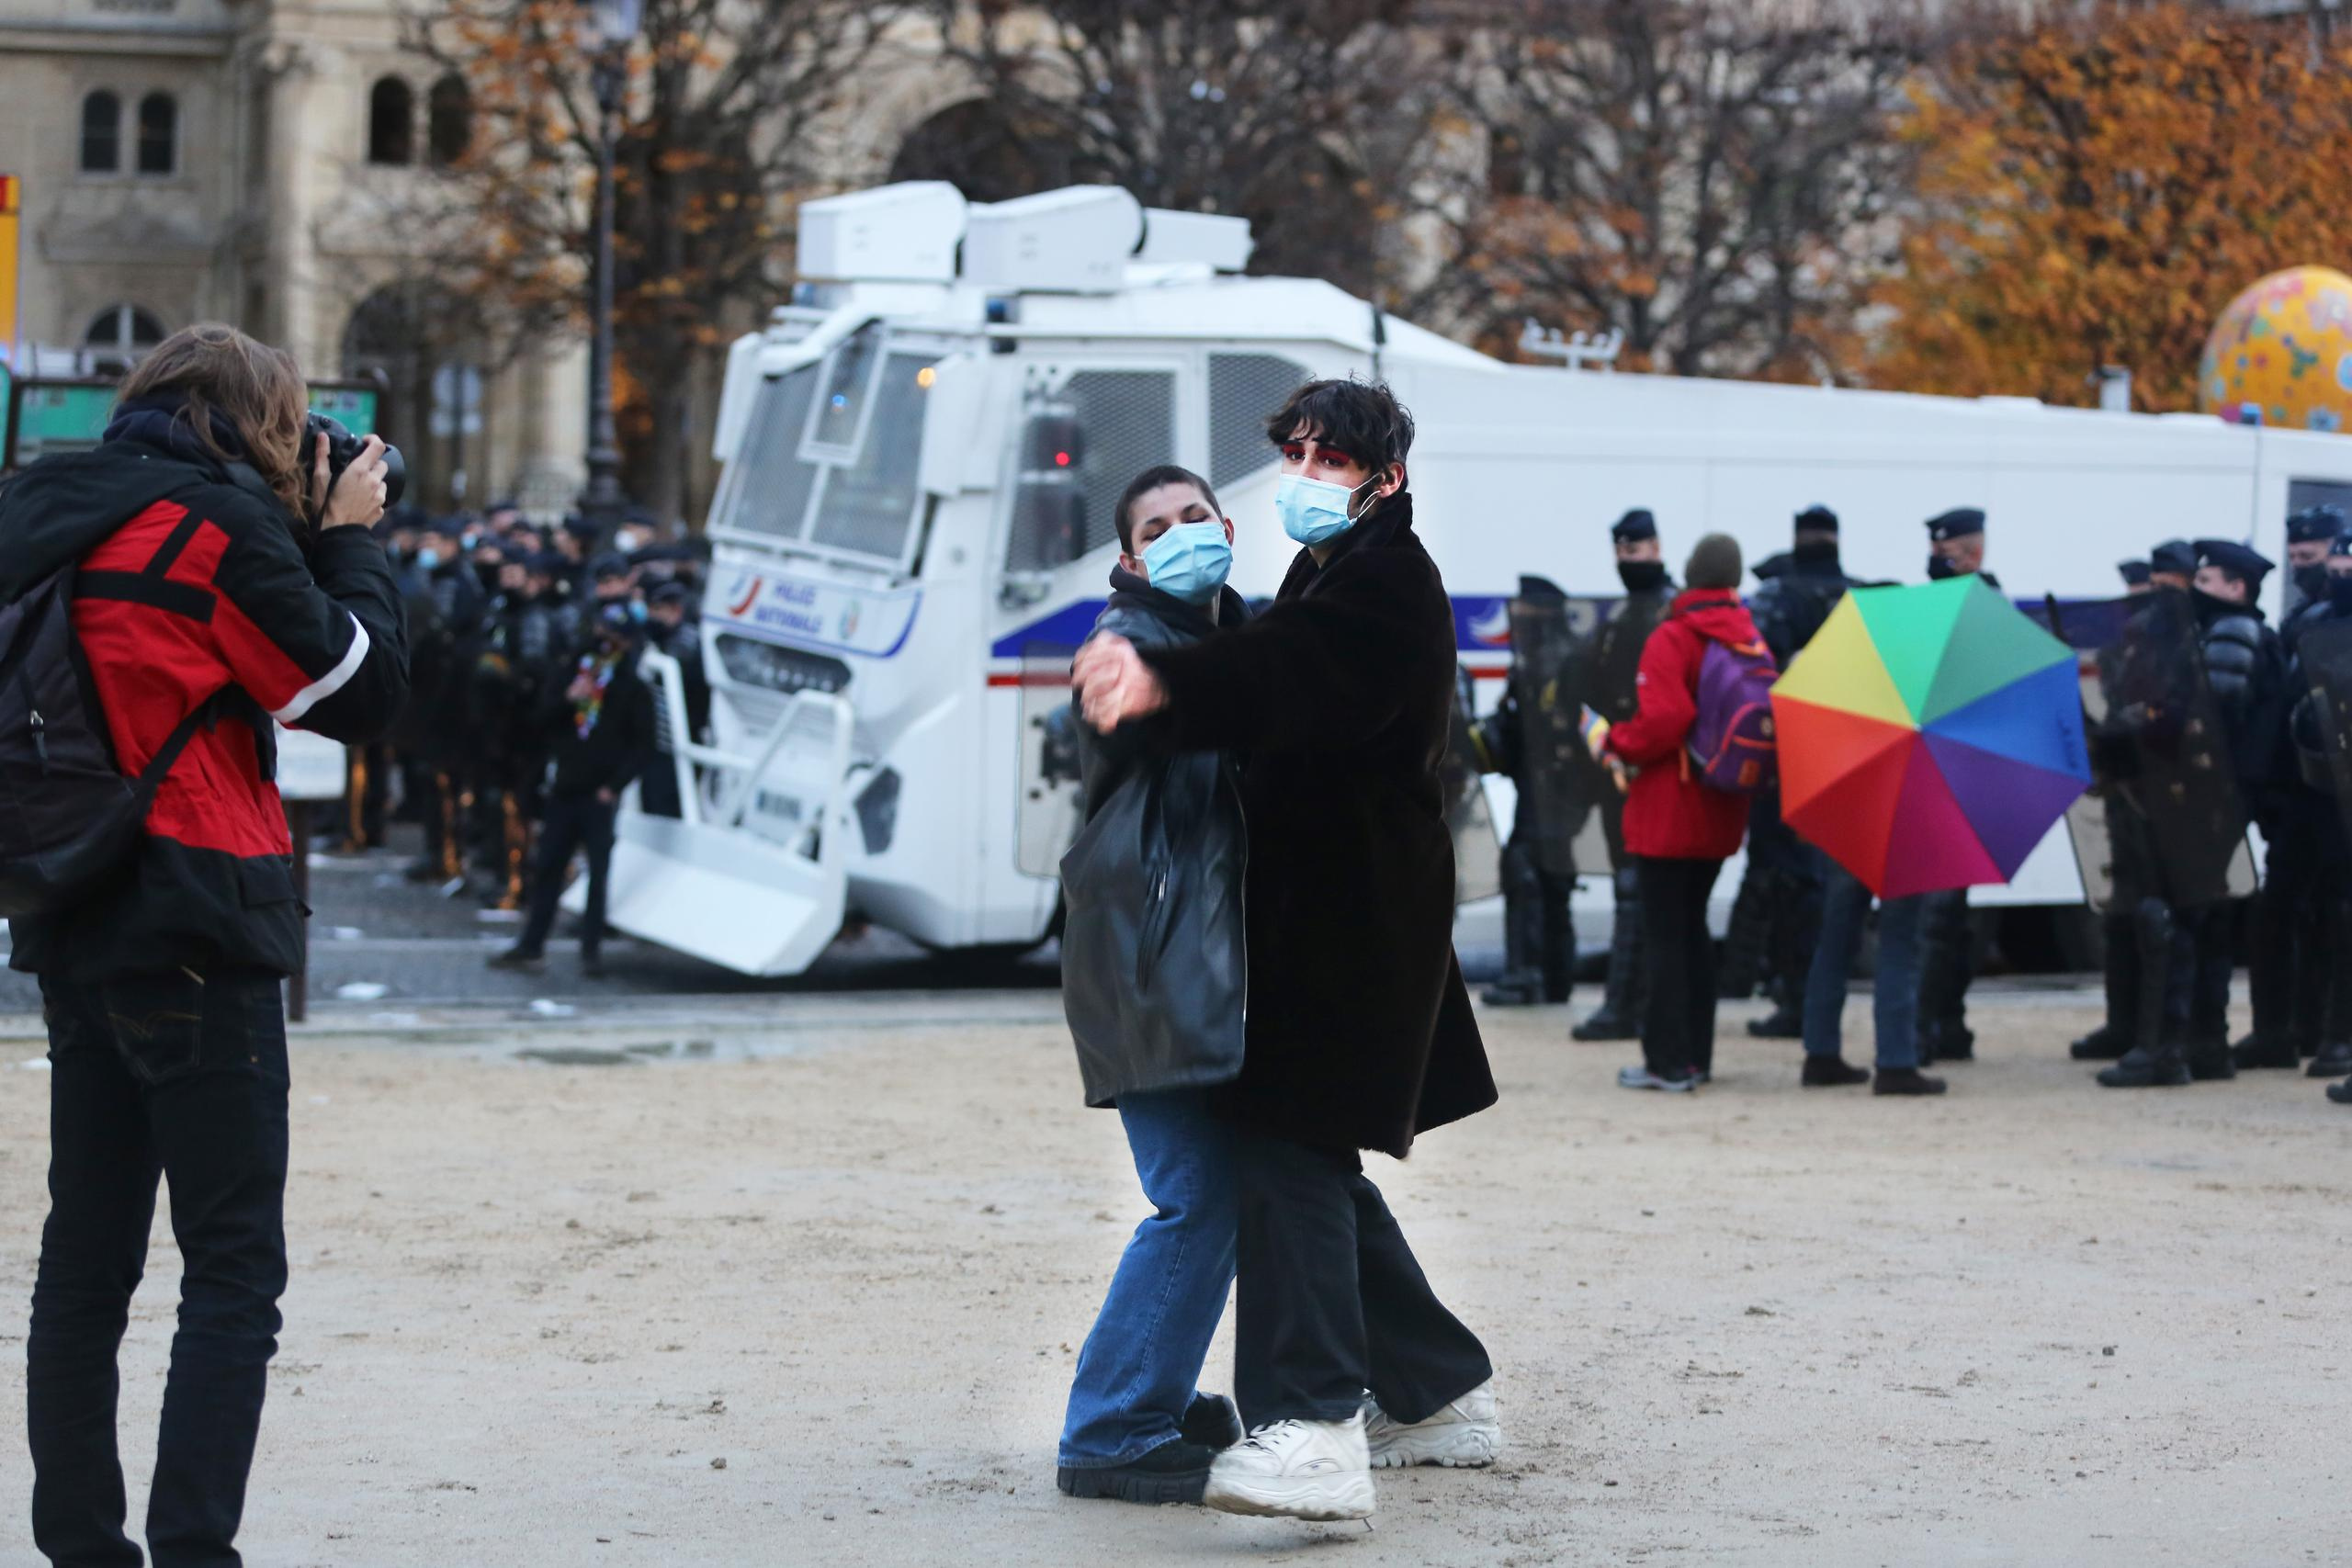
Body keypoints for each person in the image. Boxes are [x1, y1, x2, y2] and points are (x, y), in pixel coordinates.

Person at [0, 323, 408, 1567]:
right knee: (232, 1267)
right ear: (258, 422)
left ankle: (80, 1542)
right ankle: (193, 1551)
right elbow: (361, 687)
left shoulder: (43, 511)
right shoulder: (207, 533)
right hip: (196, 905)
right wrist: (346, 539)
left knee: (86, 1259)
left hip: (72, 899)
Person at [1071, 378, 1498, 1524]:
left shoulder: (1380, 582)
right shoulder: (1334, 572)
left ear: (1385, 479)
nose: (1306, 477)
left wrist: (1161, 685)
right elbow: (1277, 673)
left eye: (1332, 460)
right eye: (1296, 455)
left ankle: (1310, 1430)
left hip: (1345, 928)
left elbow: (1282, 676)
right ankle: (1436, 1395)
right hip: (1332, 923)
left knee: (1288, 1161)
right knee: (1310, 1165)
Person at [1055, 465, 1253, 1506]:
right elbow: (1115, 719)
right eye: (1158, 528)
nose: (1184, 536)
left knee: (1218, 1192)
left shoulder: (1243, 634)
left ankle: (1152, 1398)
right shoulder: (1131, 647)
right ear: (1129, 559)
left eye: (1197, 518)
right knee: (1199, 1196)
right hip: (1155, 959)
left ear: (1226, 524)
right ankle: (1113, 1426)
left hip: (1180, 957)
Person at [1600, 533, 1763, 1091]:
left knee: (1665, 938)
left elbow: (1664, 722)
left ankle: (1667, 1062)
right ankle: (1699, 1055)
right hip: (1722, 807)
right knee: (1694, 934)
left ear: (1692, 574)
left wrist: (1616, 742)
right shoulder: (1748, 638)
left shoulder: (1674, 636)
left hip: (1669, 810)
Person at [1733, 504, 1856, 1037]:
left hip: (1788, 761)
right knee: (1834, 888)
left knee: (1788, 883)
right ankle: (1818, 1006)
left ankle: (1794, 999)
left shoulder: (1780, 599)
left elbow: (1758, 677)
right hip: (1848, 760)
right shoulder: (1856, 598)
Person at [490, 603, 656, 978]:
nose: (605, 643)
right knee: (548, 867)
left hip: (598, 794)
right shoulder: (571, 672)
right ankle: (532, 944)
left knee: (598, 874)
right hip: (564, 788)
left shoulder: (632, 687)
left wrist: (614, 787)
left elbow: (643, 745)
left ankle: (590, 949)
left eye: (616, 638)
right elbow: (540, 722)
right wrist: (568, 698)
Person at [1572, 508, 1676, 1042]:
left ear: (1656, 548)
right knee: (1633, 893)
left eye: (1634, 550)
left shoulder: (1669, 612)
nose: (1626, 560)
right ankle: (1634, 1002)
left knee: (1645, 895)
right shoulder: (1620, 618)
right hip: (1618, 770)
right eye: (1620, 551)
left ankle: (1628, 1004)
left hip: (1656, 772)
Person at [1468, 574, 1579, 1008]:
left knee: (1526, 872)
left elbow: (1544, 730)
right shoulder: (1542, 658)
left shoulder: (1553, 662)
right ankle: (1556, 977)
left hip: (1553, 789)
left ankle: (1526, 975)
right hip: (1547, 788)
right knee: (1552, 881)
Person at [1916, 507, 1998, 1066]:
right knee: (1941, 917)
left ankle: (1938, 1023)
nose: (1937, 561)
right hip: (1936, 778)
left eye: (1947, 552)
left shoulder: (1986, 608)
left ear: (1972, 554)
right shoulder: (1933, 603)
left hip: (1961, 780)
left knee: (1942, 919)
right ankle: (1939, 1022)